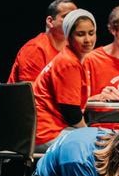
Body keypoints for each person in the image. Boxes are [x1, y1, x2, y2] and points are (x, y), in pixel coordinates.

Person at [32, 9, 97, 149]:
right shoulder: (68, 63)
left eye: (91, 33)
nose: (88, 40)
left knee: (105, 137)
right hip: (46, 133)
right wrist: (88, 134)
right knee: (104, 145)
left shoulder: (72, 59)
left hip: (51, 129)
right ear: (69, 36)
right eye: (80, 34)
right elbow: (71, 114)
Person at [8, 0, 78, 84]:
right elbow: (29, 90)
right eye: (67, 16)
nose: (74, 21)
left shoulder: (77, 48)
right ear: (50, 21)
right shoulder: (35, 49)